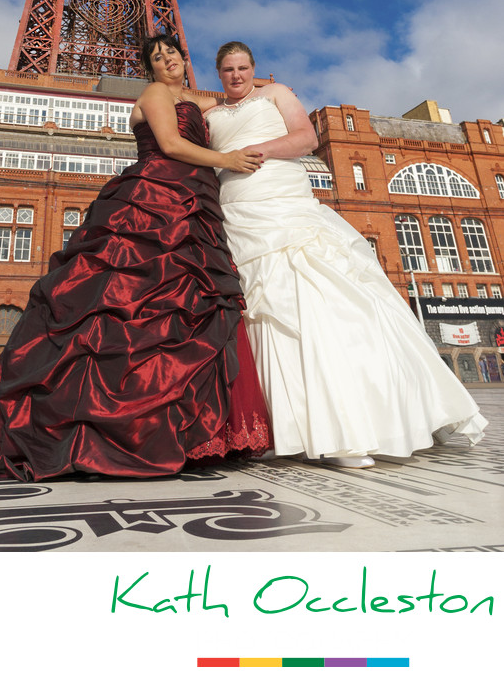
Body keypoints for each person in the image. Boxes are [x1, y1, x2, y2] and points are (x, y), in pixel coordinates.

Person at [0, 34, 270, 480]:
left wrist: (257, 103)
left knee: (183, 314)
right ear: (149, 68)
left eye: (171, 52)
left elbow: (233, 111)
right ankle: (109, 424)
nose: (166, 58)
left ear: (184, 59)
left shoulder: (193, 99)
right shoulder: (154, 93)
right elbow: (169, 144)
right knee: (124, 309)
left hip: (191, 203)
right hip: (157, 199)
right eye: (156, 56)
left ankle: (183, 430)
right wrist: (226, 158)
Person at [205, 41, 487, 468]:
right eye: (228, 69)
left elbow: (306, 138)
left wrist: (257, 152)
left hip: (282, 196)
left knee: (324, 299)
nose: (237, 76)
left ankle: (351, 425)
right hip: (239, 211)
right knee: (267, 315)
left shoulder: (278, 95)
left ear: (254, 69)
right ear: (218, 73)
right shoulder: (209, 113)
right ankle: (296, 427)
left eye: (244, 68)